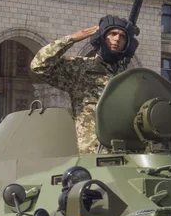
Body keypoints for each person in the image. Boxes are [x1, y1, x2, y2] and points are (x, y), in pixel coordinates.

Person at [30, 15, 139, 153]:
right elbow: (39, 65)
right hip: (94, 155)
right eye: (112, 34)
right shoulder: (80, 68)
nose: (117, 39)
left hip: (128, 155)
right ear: (102, 37)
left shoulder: (128, 78)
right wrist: (71, 39)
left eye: (122, 36)